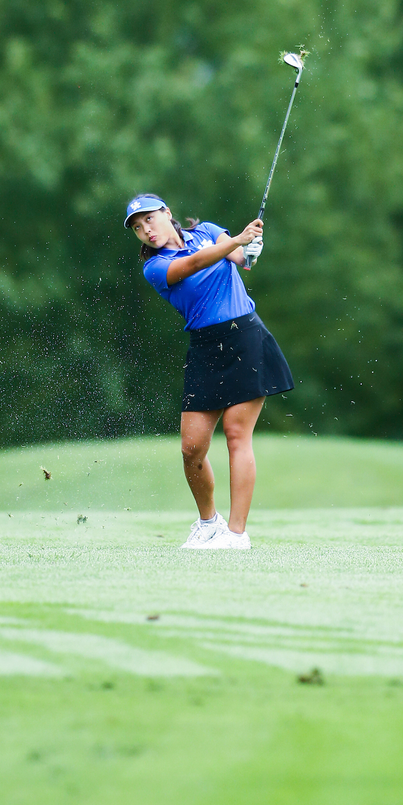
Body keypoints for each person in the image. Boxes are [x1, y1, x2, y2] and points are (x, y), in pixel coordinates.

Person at [124, 193, 294, 550]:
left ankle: (236, 535)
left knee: (236, 434)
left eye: (150, 220)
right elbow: (197, 263)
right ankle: (208, 524)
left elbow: (238, 259)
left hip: (245, 337)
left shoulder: (209, 231)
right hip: (205, 347)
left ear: (167, 213)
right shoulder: (155, 268)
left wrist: (249, 248)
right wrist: (238, 241)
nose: (146, 230)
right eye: (138, 228)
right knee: (191, 449)